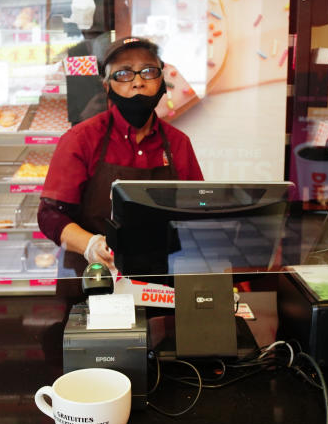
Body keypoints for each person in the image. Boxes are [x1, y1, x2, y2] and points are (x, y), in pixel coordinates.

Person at [37, 37, 204, 274]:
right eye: (124, 73)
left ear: (162, 80)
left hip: (160, 278)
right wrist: (91, 245)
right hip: (92, 277)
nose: (137, 82)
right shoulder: (81, 139)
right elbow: (50, 215)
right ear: (107, 86)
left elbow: (198, 210)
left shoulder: (178, 143)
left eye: (148, 71)